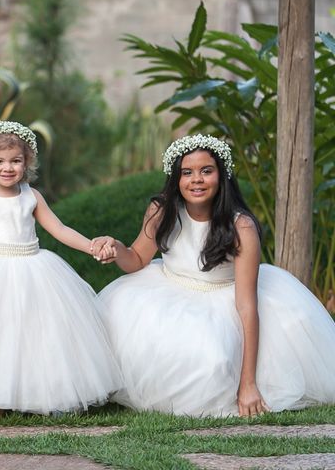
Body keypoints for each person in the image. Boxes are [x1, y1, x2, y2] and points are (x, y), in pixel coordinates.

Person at [93, 134, 335, 417]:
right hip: (168, 289)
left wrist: (248, 384)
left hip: (223, 299)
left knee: (211, 361)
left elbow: (246, 305)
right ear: (176, 178)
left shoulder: (240, 227)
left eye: (206, 171)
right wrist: (116, 248)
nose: (196, 179)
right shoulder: (161, 211)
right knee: (116, 324)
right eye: (187, 172)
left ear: (222, 176)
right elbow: (135, 259)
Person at [0, 121, 121, 417]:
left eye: (16, 161)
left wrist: (90, 246)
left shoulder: (31, 196)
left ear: (27, 162)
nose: (8, 168)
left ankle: (36, 391)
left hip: (33, 269)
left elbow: (59, 229)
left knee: (36, 335)